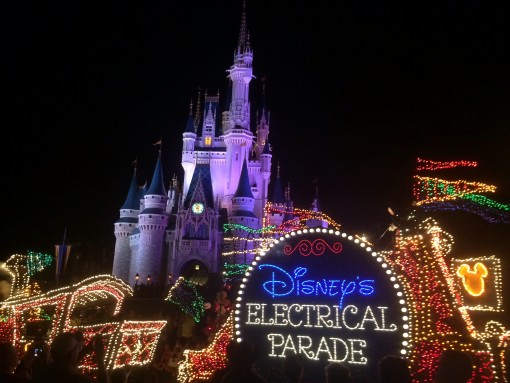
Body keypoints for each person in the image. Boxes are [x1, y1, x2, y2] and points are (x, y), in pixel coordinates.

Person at [33, 332, 108, 383]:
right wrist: (100, 360)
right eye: (76, 350)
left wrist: (86, 349)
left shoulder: (42, 372)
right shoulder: (79, 380)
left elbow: (65, 365)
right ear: (72, 354)